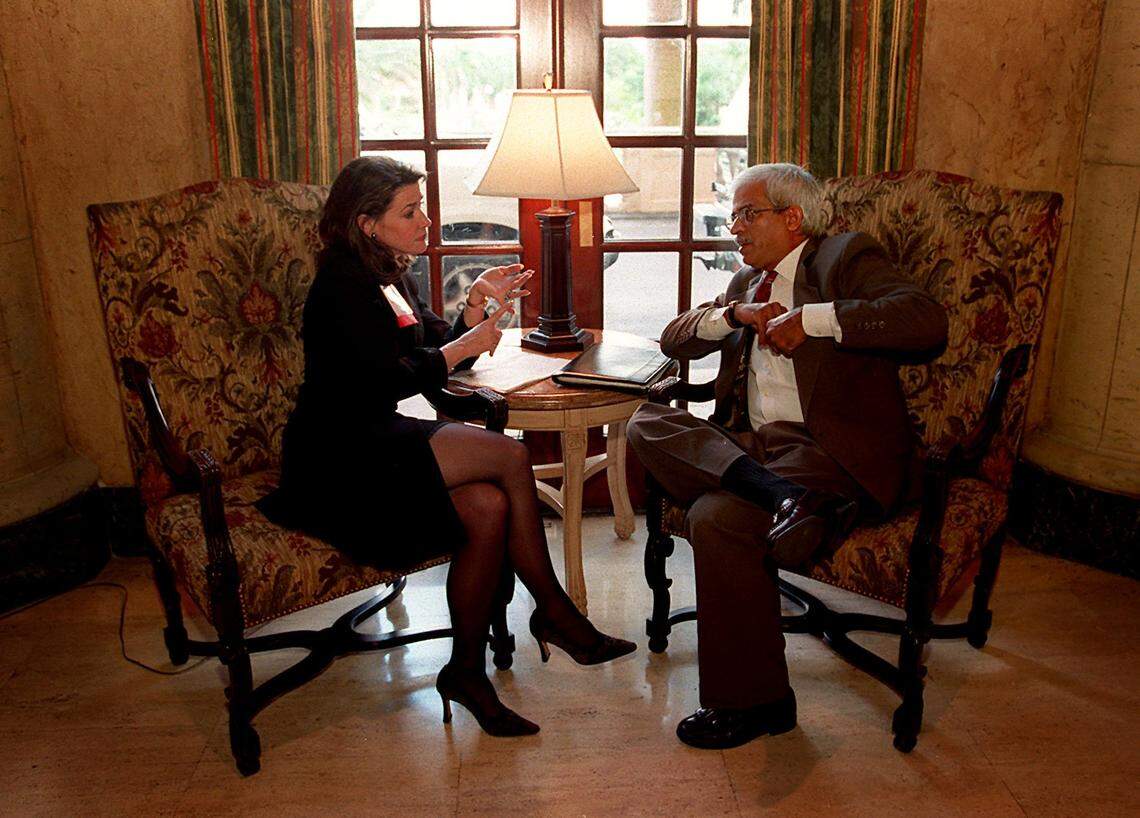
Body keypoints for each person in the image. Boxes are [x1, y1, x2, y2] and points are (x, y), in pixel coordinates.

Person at [258, 156, 634, 738]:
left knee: (487, 507)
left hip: (375, 437)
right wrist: (464, 348)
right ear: (366, 222)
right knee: (509, 457)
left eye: (422, 207)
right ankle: (554, 611)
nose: (425, 220)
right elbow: (390, 378)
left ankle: (466, 671)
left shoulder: (387, 272)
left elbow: (434, 339)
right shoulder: (341, 284)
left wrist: (475, 308)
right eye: (409, 211)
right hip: (338, 456)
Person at [626, 163, 947, 749]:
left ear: (792, 217)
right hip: (754, 450)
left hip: (828, 448)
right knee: (645, 420)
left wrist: (814, 320)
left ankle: (758, 704)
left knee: (714, 517)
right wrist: (734, 317)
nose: (735, 228)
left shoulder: (844, 258)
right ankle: (784, 501)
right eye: (734, 217)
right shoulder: (745, 282)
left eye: (748, 214)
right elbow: (675, 337)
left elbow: (924, 321)